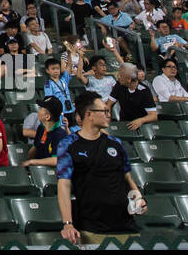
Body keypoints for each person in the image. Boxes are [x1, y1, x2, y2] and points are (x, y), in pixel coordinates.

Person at [56, 91, 144, 245]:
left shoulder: (115, 143)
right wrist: (68, 223)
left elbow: (127, 178)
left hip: (127, 227)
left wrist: (139, 199)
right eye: (104, 111)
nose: (108, 114)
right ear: (89, 114)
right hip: (92, 229)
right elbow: (64, 184)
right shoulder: (68, 144)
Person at [22, 97, 68, 168]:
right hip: (38, 170)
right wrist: (26, 161)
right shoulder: (41, 128)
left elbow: (56, 160)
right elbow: (36, 147)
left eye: (41, 108)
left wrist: (33, 162)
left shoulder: (59, 135)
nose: (38, 110)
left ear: (47, 117)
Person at [112, 63, 158, 131]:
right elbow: (108, 105)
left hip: (141, 126)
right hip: (123, 124)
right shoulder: (119, 85)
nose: (118, 77)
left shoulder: (144, 90)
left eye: (121, 75)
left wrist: (141, 120)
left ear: (129, 79)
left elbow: (153, 116)